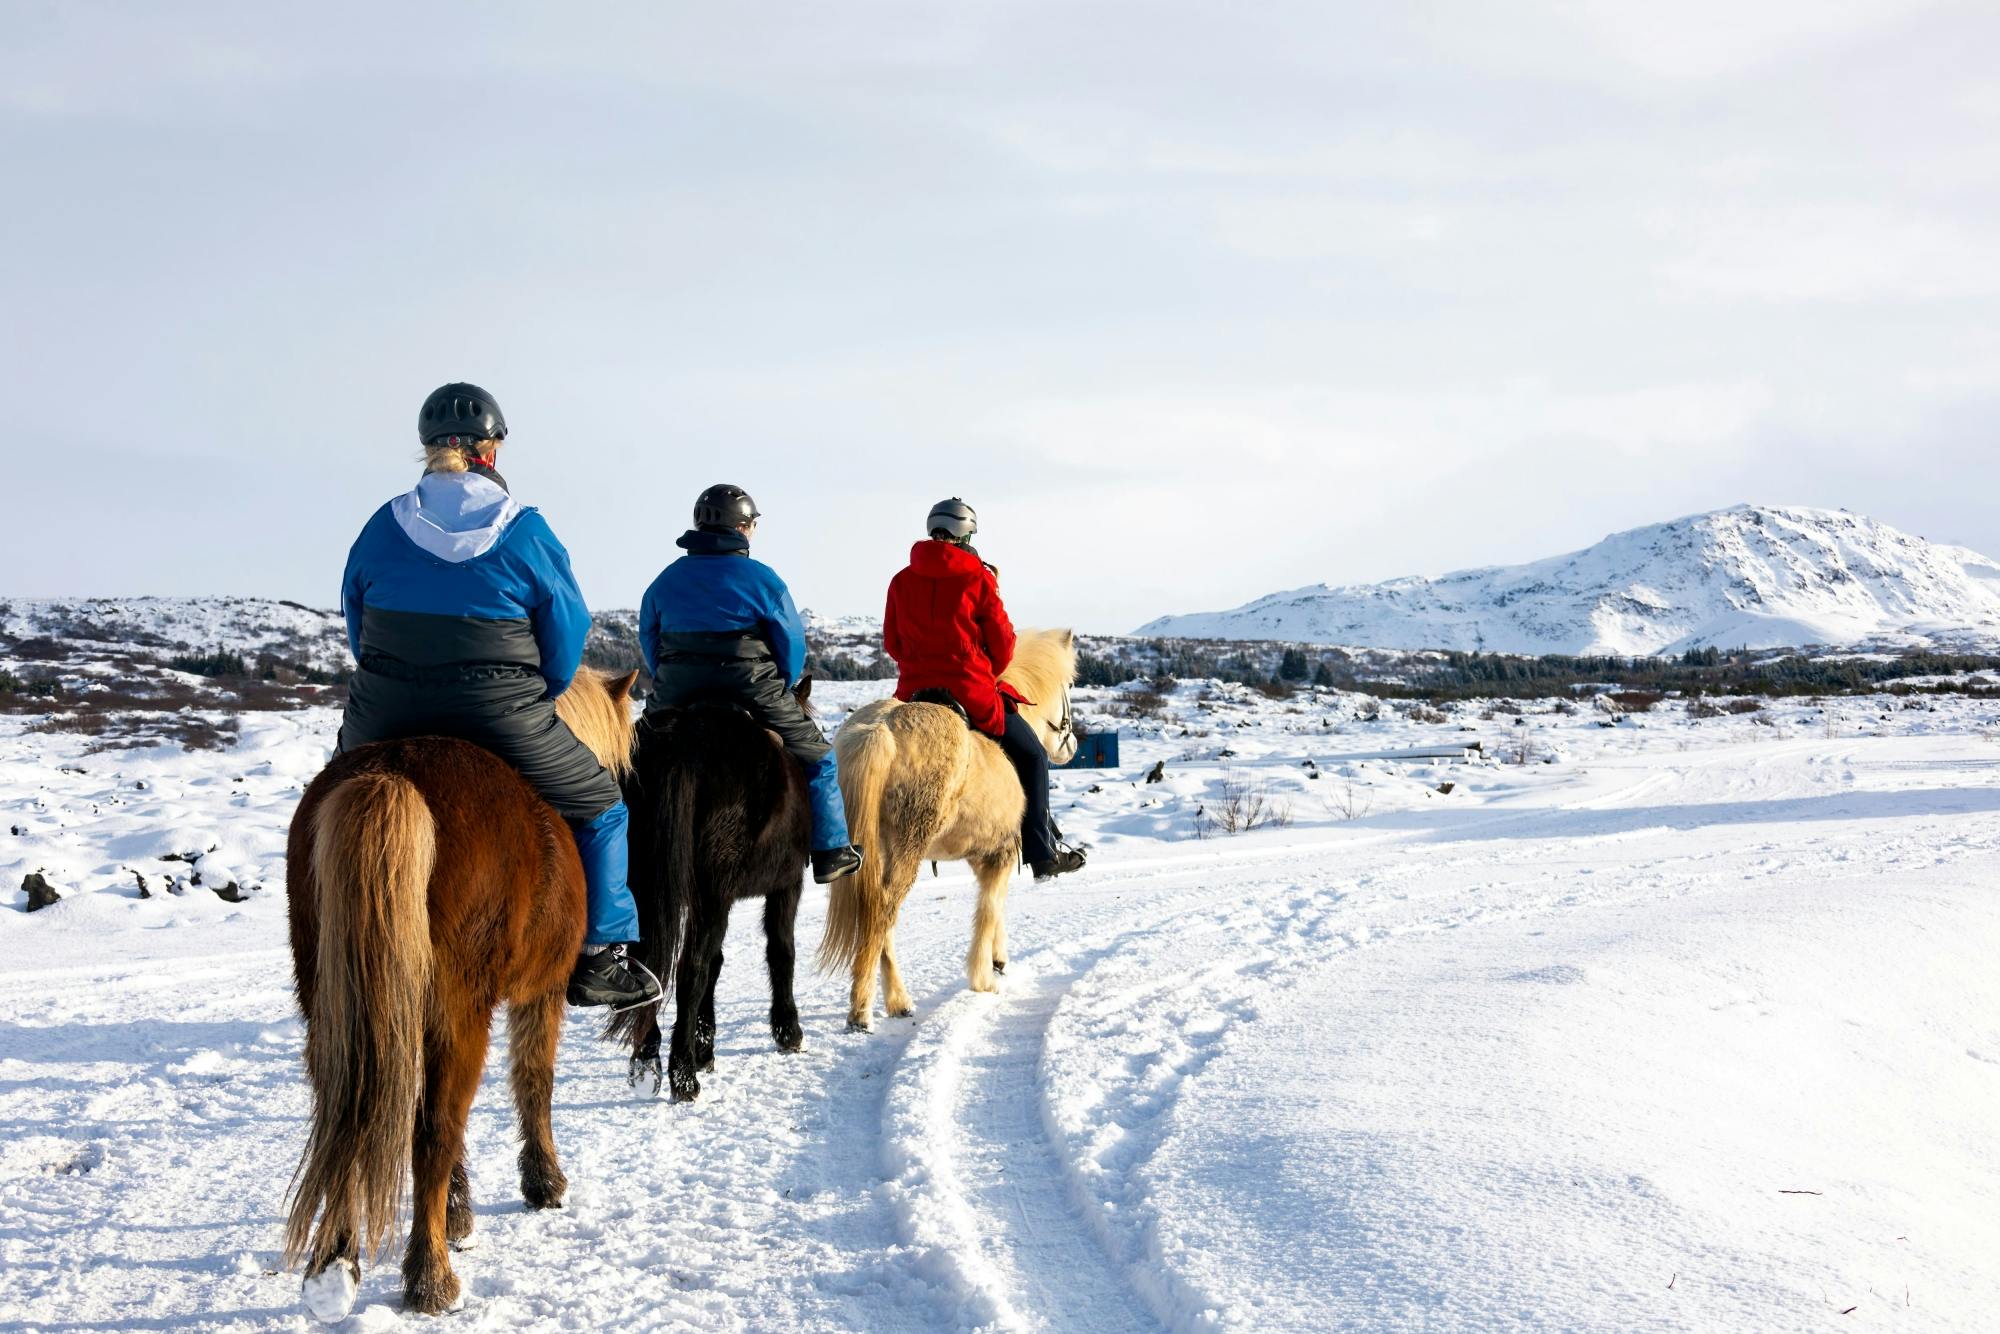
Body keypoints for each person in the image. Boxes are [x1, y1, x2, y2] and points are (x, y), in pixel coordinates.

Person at [336, 382, 660, 1010]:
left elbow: (356, 618)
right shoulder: (525, 529)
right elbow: (568, 633)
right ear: (493, 448)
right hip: (501, 713)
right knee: (602, 805)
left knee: (332, 800)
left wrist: (391, 678)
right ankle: (603, 957)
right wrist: (540, 693)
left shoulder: (383, 524)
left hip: (384, 707)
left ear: (428, 450)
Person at [636, 484, 864, 885]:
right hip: (753, 689)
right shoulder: (763, 579)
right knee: (819, 756)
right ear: (741, 527)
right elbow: (791, 645)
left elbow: (649, 641)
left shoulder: (665, 579)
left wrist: (672, 678)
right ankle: (832, 850)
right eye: (753, 524)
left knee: (633, 756)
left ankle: (628, 847)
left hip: (677, 689)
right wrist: (782, 682)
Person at [883, 498, 1087, 881]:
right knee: (1032, 758)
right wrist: (982, 673)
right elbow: (1005, 646)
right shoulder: (978, 577)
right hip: (970, 694)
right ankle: (1043, 854)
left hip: (912, 694)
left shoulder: (901, 580)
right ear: (966, 533)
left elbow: (893, 644)